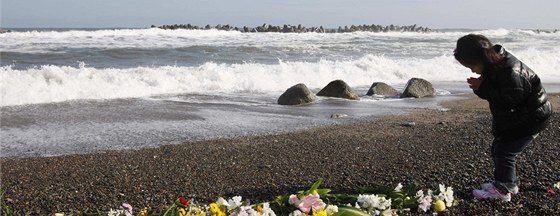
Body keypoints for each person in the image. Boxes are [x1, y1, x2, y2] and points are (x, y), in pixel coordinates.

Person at [453, 34, 552, 201]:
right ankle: (508, 183)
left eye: (471, 66)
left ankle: (503, 190)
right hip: (521, 116)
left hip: (533, 117)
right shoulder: (495, 65)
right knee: (499, 148)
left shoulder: (510, 71)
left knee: (505, 151)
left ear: (480, 58)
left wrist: (483, 87)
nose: (471, 70)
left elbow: (509, 101)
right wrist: (484, 83)